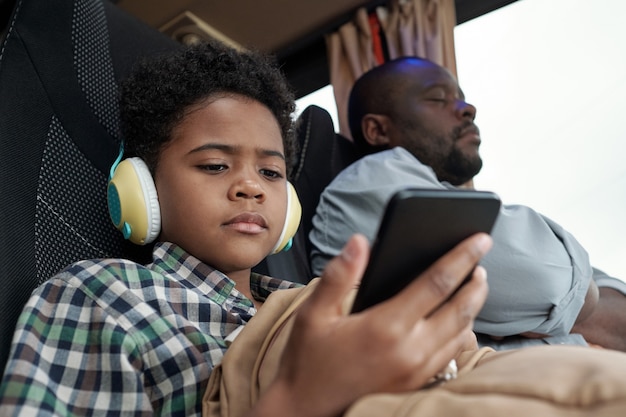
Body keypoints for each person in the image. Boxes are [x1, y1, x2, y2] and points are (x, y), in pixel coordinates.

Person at [0, 42, 490, 416]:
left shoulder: (314, 296)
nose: (250, 188)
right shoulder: (104, 295)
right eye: (215, 165)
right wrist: (300, 399)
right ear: (141, 189)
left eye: (272, 173)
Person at [309, 56, 626, 351]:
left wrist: (565, 307)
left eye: (461, 97)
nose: (468, 108)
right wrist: (576, 301)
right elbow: (550, 283)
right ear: (377, 130)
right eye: (437, 98)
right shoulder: (374, 181)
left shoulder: (447, 198)